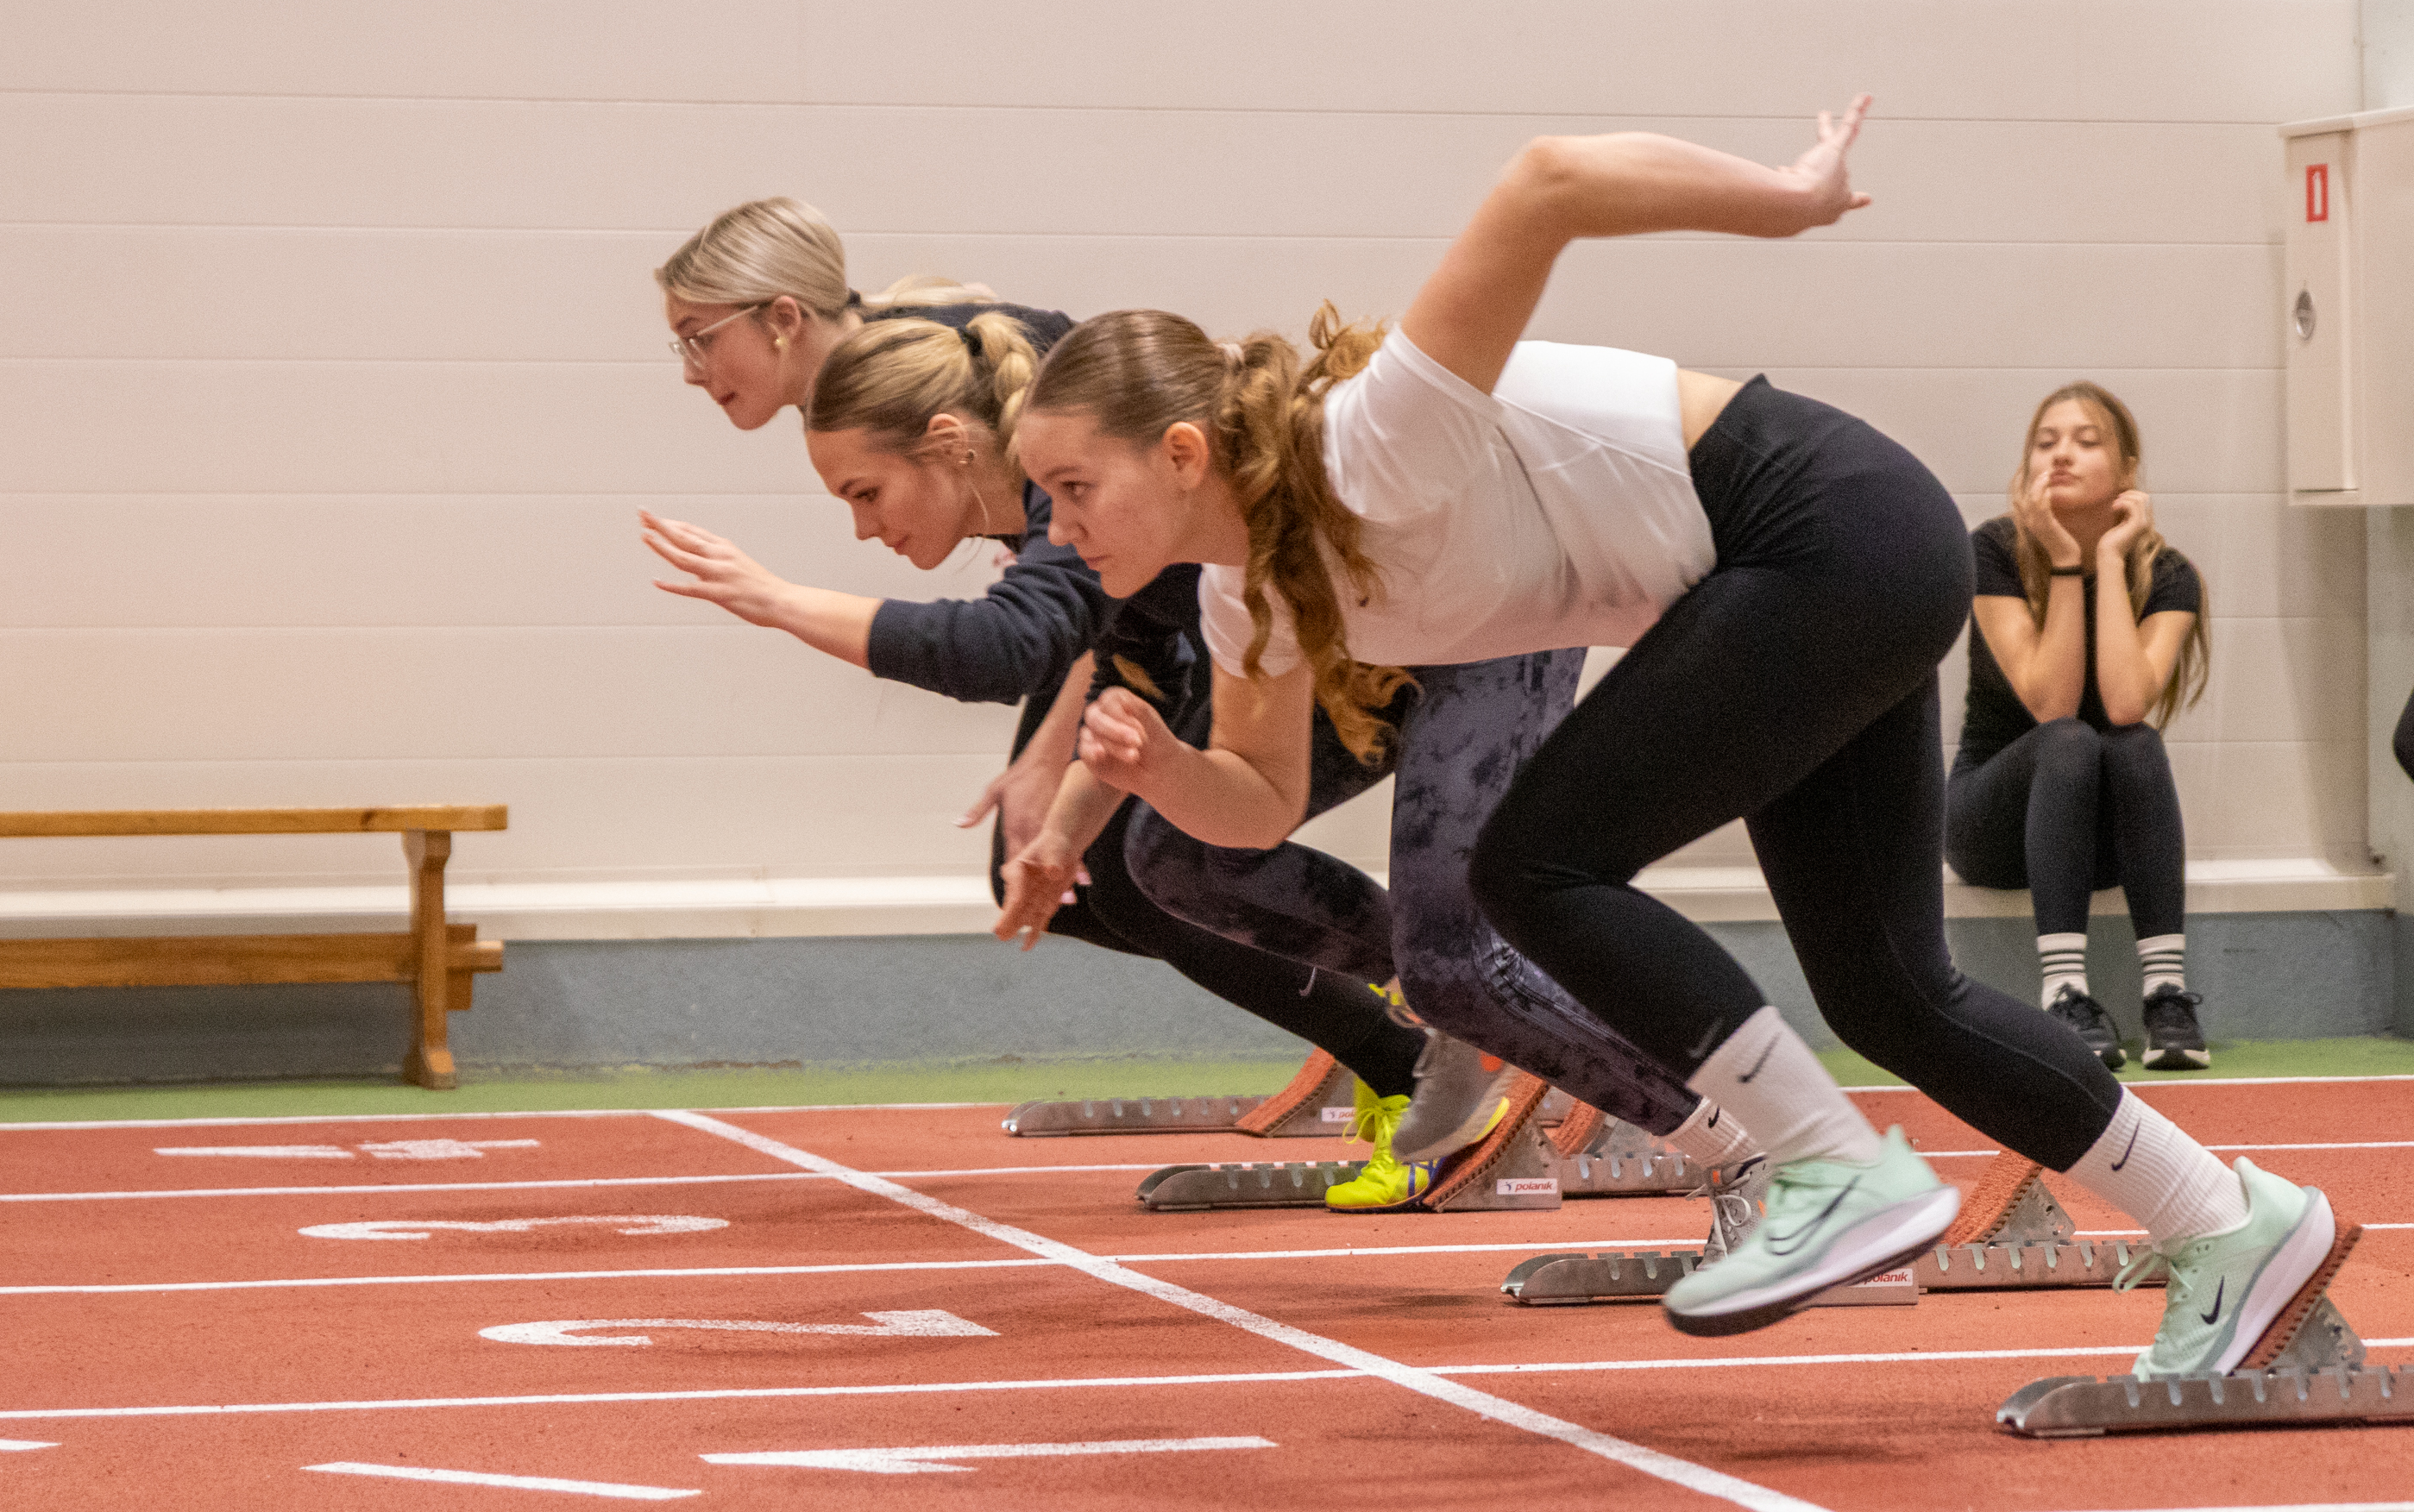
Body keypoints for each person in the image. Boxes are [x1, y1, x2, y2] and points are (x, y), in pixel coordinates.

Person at [1000, 100, 2343, 1377]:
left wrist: (1791, 196)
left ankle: (1830, 1171)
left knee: (1529, 866)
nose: (1058, 528)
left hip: (1829, 527)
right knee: (1889, 993)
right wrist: (1164, 772)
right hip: (1813, 568)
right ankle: (2230, 1222)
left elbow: (1547, 181)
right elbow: (1254, 804)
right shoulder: (1248, 598)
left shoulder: (1372, 444)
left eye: (1073, 486)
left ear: (1184, 455)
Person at [638, 201, 1459, 1208]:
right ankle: (1413, 1025)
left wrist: (776, 601)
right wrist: (1061, 786)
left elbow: (1025, 635)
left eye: (698, 337)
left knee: (1167, 860)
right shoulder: (995, 457)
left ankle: (1450, 1028)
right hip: (1254, 633)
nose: (691, 369)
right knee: (1094, 867)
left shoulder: (1021, 437)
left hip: (1383, 634)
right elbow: (1117, 630)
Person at [1946, 384, 2210, 1070]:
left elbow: (2124, 704)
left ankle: (2166, 997)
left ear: (2127, 471)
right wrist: (2065, 560)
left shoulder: (2169, 575)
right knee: (2067, 739)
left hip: (2096, 844)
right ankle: (2064, 993)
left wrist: (2112, 560)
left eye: (2086, 442)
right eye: (2046, 442)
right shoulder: (1994, 552)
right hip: (1992, 826)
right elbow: (2052, 704)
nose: (2061, 454)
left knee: (2134, 740)